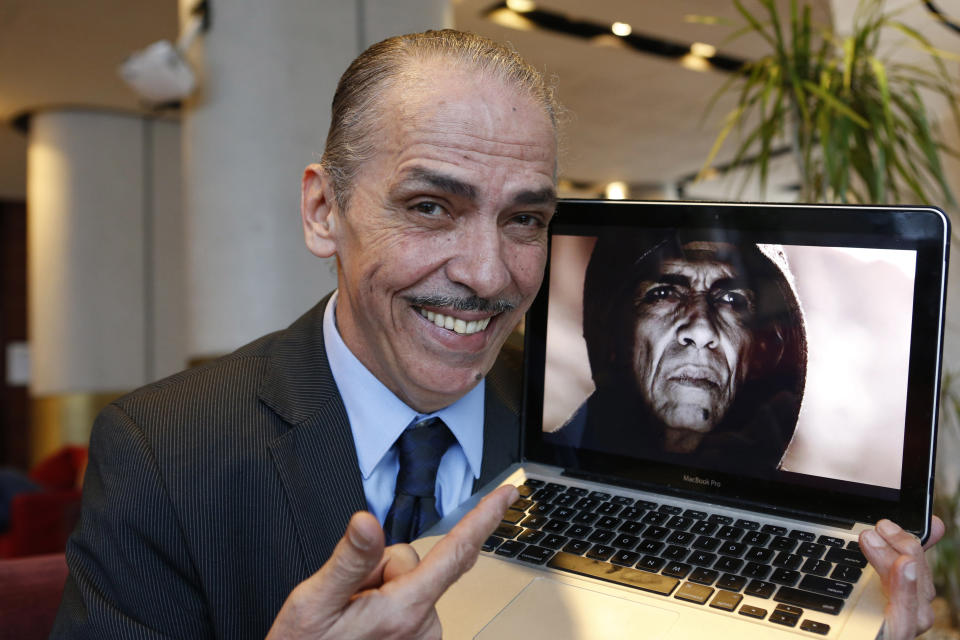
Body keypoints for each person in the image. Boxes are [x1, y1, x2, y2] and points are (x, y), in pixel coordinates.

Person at [52, 30, 943, 640]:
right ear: (325, 210)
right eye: (431, 206)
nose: (488, 275)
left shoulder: (595, 434)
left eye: (525, 221)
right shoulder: (163, 451)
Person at [547, 230, 807, 477]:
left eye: (731, 300)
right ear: (617, 337)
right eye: (663, 293)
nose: (701, 331)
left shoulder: (774, 498)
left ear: (762, 351)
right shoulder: (556, 469)